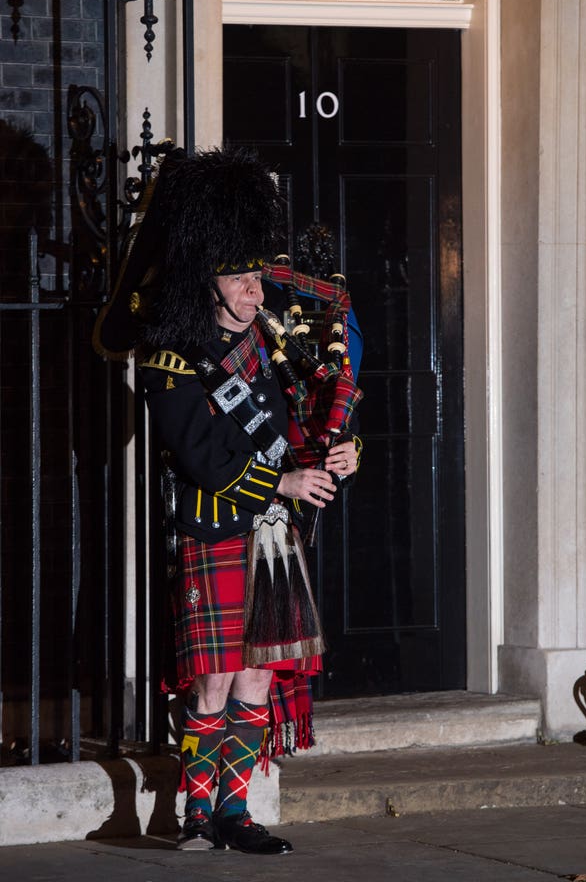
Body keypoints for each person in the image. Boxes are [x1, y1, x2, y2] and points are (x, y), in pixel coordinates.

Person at [93, 145, 361, 854]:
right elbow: (205, 458)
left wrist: (341, 450)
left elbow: (304, 422)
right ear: (205, 284)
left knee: (254, 676)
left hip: (272, 535)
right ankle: (196, 812)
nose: (255, 292)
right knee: (211, 684)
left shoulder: (275, 348)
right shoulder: (171, 358)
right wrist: (285, 481)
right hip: (214, 531)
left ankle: (237, 811)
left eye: (254, 276)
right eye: (239, 280)